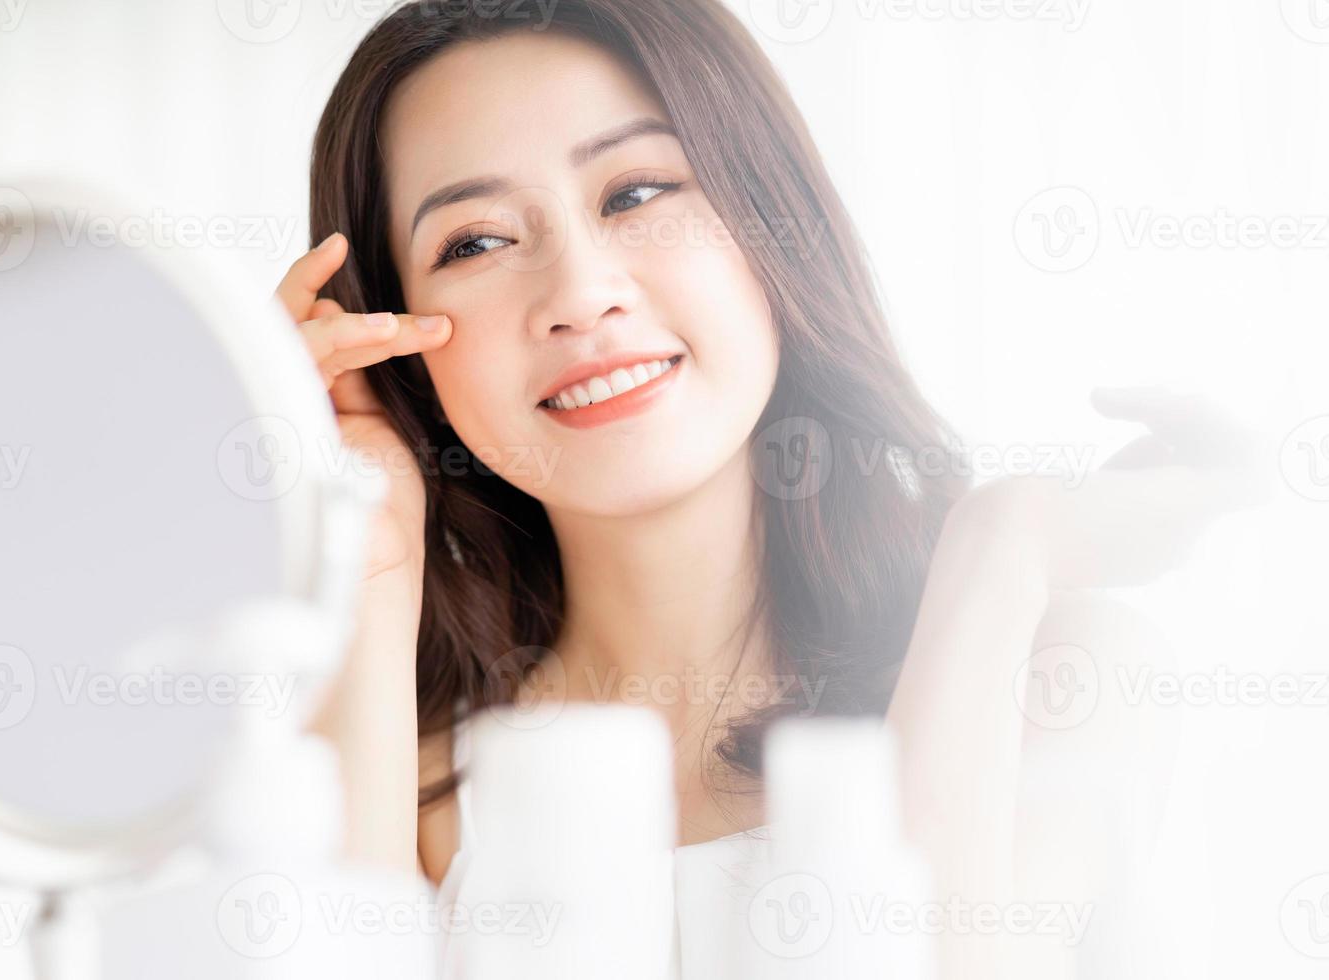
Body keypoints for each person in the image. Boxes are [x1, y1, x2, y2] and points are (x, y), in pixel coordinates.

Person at [272, 0, 1266, 972]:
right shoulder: (405, 765)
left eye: (636, 192)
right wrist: (371, 541)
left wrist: (1002, 544)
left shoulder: (1056, 673)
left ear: (770, 221)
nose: (580, 293)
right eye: (476, 242)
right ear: (398, 341)